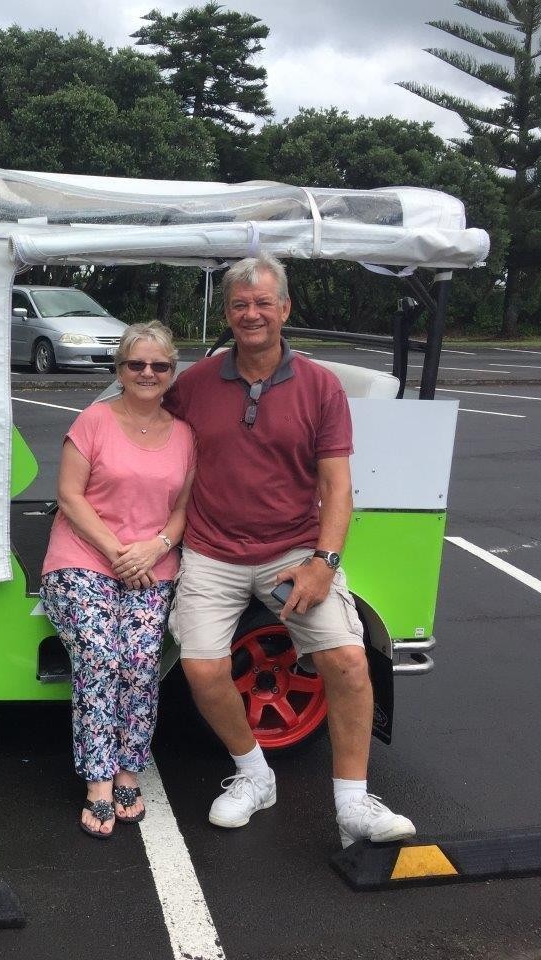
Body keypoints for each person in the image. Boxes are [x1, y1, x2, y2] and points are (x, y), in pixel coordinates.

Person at [144, 253, 415, 849]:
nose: (251, 314)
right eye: (240, 304)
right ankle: (253, 775)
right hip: (211, 552)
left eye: (263, 302)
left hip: (292, 551)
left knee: (347, 660)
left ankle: (353, 803)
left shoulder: (319, 386)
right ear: (228, 313)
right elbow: (146, 431)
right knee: (201, 667)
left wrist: (325, 561)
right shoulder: (196, 382)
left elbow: (337, 486)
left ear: (285, 309)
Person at [40, 322, 196, 839]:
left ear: (172, 373)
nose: (148, 373)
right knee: (101, 654)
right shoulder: (93, 421)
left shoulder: (186, 436)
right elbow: (70, 497)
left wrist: (156, 546)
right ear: (120, 370)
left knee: (140, 660)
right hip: (84, 557)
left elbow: (181, 511)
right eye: (136, 364)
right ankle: (99, 779)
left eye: (160, 365)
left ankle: (131, 768)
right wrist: (118, 552)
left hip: (153, 561)